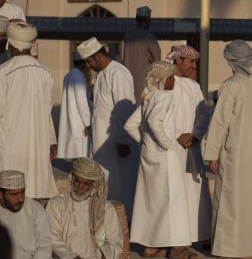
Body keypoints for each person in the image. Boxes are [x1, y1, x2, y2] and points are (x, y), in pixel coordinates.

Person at [125, 60, 198, 259]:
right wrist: (167, 144)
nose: (174, 80)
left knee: (152, 201)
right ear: (162, 80)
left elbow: (130, 125)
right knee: (173, 202)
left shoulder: (149, 97)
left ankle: (151, 246)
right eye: (171, 77)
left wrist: (145, 143)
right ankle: (176, 248)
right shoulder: (164, 97)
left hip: (149, 157)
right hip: (165, 157)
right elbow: (153, 122)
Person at [204, 39, 252, 258]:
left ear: (232, 61)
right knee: (250, 199)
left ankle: (229, 248)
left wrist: (212, 152)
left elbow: (220, 122)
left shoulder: (230, 85)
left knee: (229, 200)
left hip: (234, 152)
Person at [77, 37, 138, 219]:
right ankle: (110, 220)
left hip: (117, 142)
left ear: (97, 56)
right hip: (103, 143)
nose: (88, 66)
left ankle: (124, 221)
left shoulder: (118, 73)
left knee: (121, 182)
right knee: (106, 183)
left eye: (89, 61)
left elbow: (125, 110)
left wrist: (123, 140)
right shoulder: (101, 74)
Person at [0, 20, 58, 198]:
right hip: (39, 147)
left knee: (11, 193)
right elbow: (47, 113)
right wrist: (50, 140)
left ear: (11, 44)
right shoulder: (46, 72)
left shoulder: (4, 72)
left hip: (10, 146)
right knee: (36, 190)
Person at [166, 45, 212, 244]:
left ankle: (199, 234)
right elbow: (159, 116)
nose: (193, 67)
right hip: (170, 146)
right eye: (190, 62)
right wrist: (177, 135)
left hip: (191, 148)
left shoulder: (193, 86)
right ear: (178, 60)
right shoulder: (164, 83)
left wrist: (194, 135)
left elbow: (204, 114)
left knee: (194, 192)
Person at [46, 157, 123, 259]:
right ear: (71, 178)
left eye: (86, 183)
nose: (80, 187)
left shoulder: (106, 208)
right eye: (77, 181)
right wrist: (72, 257)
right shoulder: (57, 204)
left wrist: (104, 256)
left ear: (93, 185)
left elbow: (115, 241)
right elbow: (51, 237)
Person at [0, 170, 52, 259]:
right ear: (1, 194)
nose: (20, 199)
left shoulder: (34, 209)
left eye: (22, 192)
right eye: (14, 194)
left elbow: (45, 246)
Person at [123, 6, 161, 104]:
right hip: (143, 83)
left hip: (127, 81)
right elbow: (158, 63)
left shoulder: (127, 35)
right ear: (148, 20)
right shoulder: (149, 38)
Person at [57, 51, 91, 159]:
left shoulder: (69, 75)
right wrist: (87, 122)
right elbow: (82, 102)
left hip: (71, 117)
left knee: (74, 149)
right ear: (84, 63)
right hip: (78, 120)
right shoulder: (78, 77)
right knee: (81, 152)